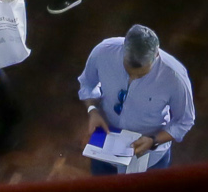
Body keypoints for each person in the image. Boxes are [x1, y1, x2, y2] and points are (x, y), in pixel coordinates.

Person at [75, 23, 195, 172]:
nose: (133, 77)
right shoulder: (103, 52)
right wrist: (93, 110)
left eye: (140, 74)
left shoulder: (175, 78)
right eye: (128, 70)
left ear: (156, 55)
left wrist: (153, 141)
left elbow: (185, 120)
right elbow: (87, 83)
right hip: (105, 144)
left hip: (150, 156)